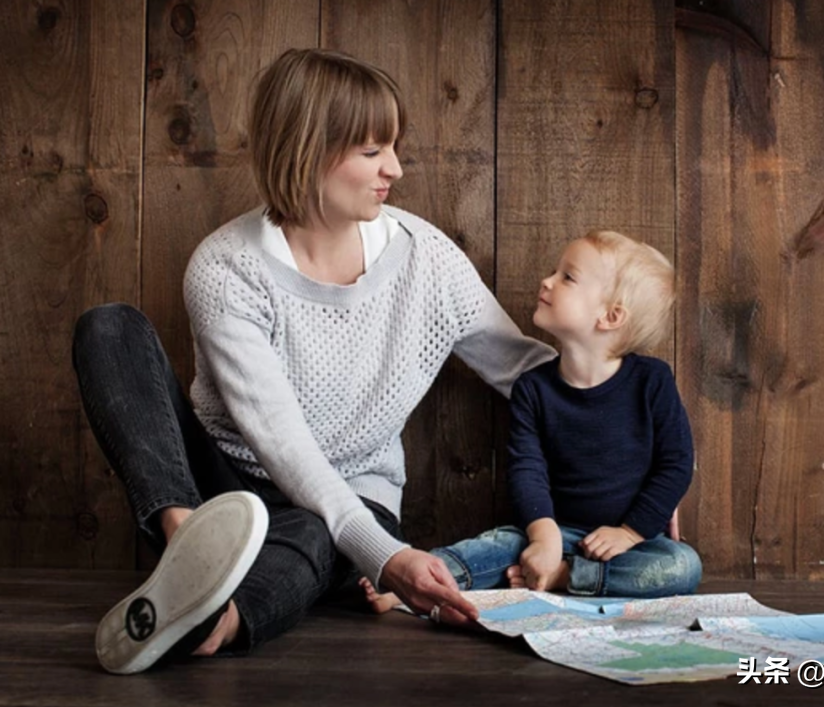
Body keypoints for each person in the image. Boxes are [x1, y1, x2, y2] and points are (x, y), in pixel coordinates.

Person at [71, 47, 555, 675]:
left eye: (392, 147)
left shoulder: (425, 259)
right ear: (310, 149)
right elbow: (282, 442)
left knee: (315, 531)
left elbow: (525, 370)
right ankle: (189, 546)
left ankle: (214, 619)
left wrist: (638, 444)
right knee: (109, 328)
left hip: (350, 498)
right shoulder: (225, 268)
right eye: (373, 150)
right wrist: (388, 560)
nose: (396, 170)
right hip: (221, 488)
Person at [364, 229, 701, 613]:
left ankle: (563, 578)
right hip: (554, 529)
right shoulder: (534, 389)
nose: (547, 281)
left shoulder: (652, 381)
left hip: (629, 543)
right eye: (555, 272)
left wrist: (631, 532)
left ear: (610, 316)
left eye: (567, 277)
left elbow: (675, 463)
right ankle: (412, 584)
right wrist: (543, 537)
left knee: (682, 566)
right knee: (494, 547)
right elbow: (527, 469)